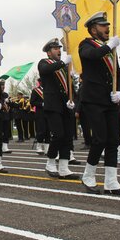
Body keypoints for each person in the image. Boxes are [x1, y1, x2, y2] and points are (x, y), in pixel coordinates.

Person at [79, 12, 120, 195]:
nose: (107, 28)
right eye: (103, 26)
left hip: (110, 101)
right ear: (93, 29)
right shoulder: (85, 44)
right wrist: (109, 46)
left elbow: (119, 75)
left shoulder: (111, 50)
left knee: (113, 140)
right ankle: (88, 175)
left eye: (108, 25)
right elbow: (92, 56)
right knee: (99, 138)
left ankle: (111, 181)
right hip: (93, 99)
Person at [38, 38, 79, 180]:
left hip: (65, 105)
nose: (58, 51)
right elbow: (46, 70)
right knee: (58, 134)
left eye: (59, 48)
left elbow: (70, 87)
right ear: (49, 53)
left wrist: (73, 101)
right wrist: (63, 63)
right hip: (53, 105)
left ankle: (64, 167)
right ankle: (50, 162)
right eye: (55, 49)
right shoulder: (44, 63)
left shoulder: (64, 67)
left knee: (68, 136)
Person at [30, 78, 49, 155]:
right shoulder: (35, 91)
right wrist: (41, 104)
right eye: (42, 81)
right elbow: (32, 102)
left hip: (48, 113)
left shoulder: (48, 90)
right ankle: (39, 147)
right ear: (39, 82)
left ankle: (47, 149)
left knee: (48, 131)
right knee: (41, 130)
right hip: (40, 113)